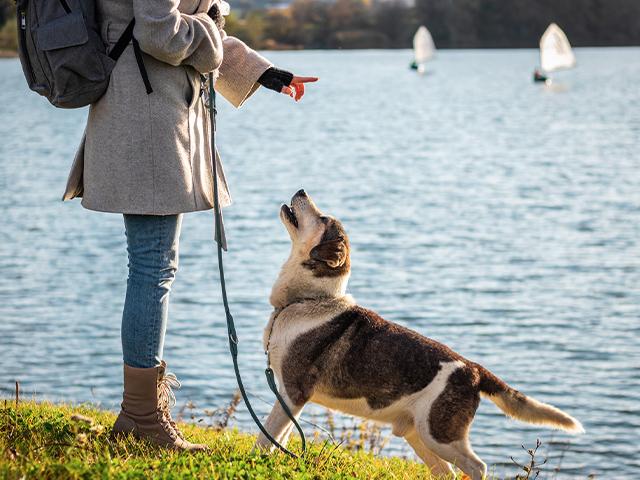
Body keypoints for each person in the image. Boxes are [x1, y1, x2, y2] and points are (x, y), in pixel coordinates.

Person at [62, 0, 317, 451]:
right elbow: (160, 33)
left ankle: (138, 413)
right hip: (147, 120)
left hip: (148, 114)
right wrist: (210, 33)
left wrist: (263, 72)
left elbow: (197, 31)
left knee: (152, 264)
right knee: (152, 266)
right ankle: (141, 417)